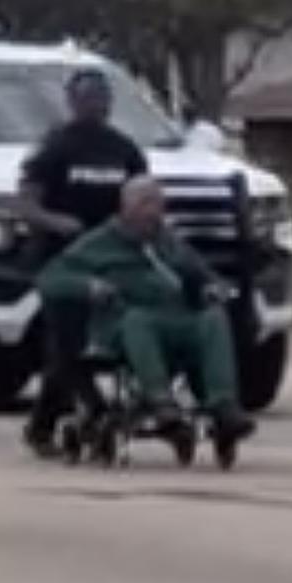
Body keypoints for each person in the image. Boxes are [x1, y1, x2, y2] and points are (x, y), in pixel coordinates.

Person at [37, 177, 257, 449]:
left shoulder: (169, 243)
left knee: (213, 318)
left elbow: (204, 275)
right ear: (125, 207)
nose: (152, 212)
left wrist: (214, 288)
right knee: (138, 321)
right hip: (124, 323)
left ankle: (224, 405)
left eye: (158, 205)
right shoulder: (98, 243)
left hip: (176, 318)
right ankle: (160, 400)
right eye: (145, 204)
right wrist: (89, 286)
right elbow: (50, 279)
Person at [19, 69, 149, 457]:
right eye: (87, 97)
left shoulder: (125, 150)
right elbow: (25, 204)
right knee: (67, 342)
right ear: (72, 102)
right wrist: (56, 222)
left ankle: (45, 424)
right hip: (60, 261)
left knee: (92, 347)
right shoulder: (54, 148)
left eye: (101, 97)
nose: (95, 104)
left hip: (109, 259)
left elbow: (142, 199)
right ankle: (89, 409)